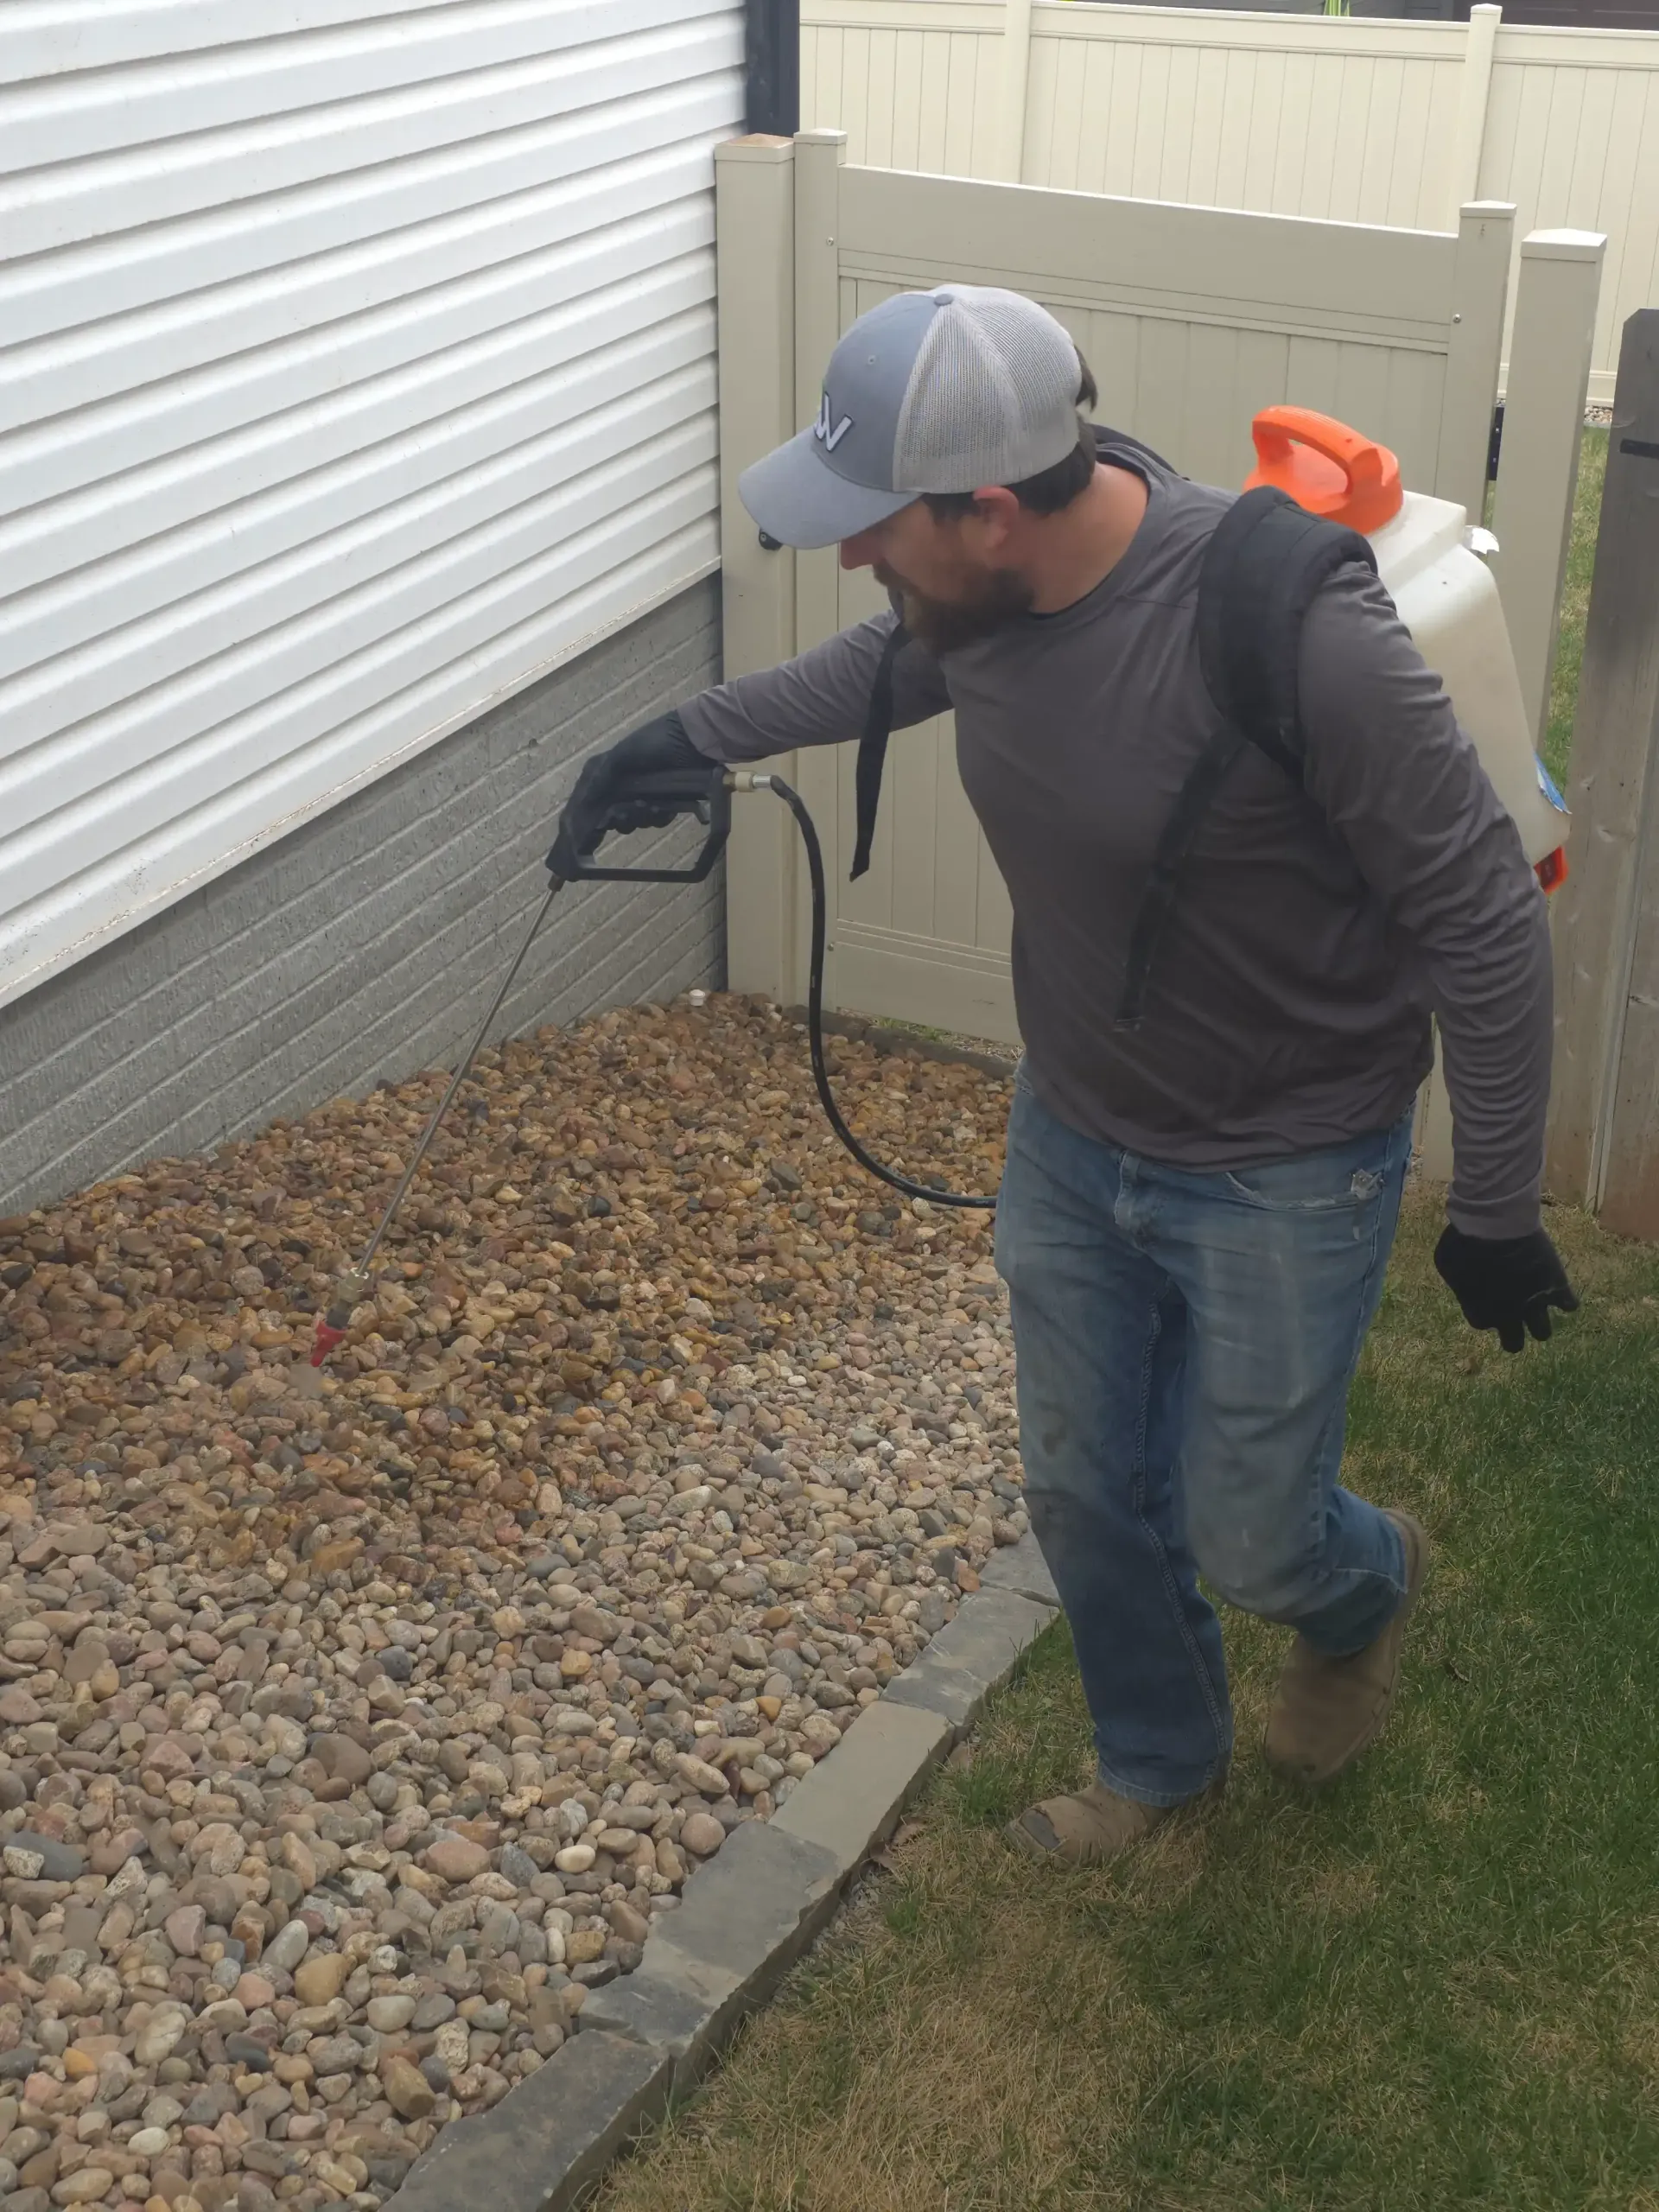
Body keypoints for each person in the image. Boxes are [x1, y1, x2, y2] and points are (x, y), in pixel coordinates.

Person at [560, 285, 1578, 1865]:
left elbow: (1488, 923)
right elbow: (876, 677)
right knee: (1088, 1490)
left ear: (986, 512)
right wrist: (679, 738)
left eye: (876, 527)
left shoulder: (1297, 637)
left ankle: (1364, 1582)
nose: (850, 558)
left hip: (1288, 1161)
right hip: (1077, 1131)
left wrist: (1497, 1203)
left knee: (1253, 1535)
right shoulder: (971, 607)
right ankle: (1161, 1773)